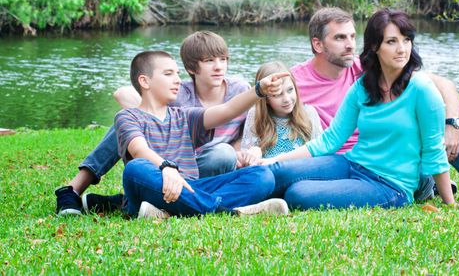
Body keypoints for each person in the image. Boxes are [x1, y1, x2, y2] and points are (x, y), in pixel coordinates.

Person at [281, 7, 459, 206]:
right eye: (340, 38)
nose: (350, 45)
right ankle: (432, 185)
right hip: (346, 164)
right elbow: (263, 120)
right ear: (318, 44)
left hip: (397, 165)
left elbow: (444, 86)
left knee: (435, 115)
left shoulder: (370, 67)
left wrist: (452, 125)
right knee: (296, 188)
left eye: (353, 37)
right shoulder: (294, 81)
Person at [259, 8, 454, 210]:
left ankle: (258, 199)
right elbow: (331, 139)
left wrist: (450, 204)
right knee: (278, 171)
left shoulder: (422, 89)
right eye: (391, 41)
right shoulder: (362, 87)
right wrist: (272, 160)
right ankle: (226, 200)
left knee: (298, 193)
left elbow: (434, 151)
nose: (402, 49)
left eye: (406, 40)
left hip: (390, 185)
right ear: (374, 46)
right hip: (352, 164)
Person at [55, 31, 251, 216]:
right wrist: (151, 115)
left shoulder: (240, 89)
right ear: (192, 69)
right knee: (128, 120)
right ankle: (73, 188)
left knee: (224, 154)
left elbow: (243, 126)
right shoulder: (179, 92)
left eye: (223, 59)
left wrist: (239, 149)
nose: (219, 67)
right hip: (170, 163)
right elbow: (122, 93)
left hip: (208, 168)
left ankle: (128, 201)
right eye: (209, 61)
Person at [117, 50, 289, 218]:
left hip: (192, 187)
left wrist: (259, 89)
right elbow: (139, 150)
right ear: (144, 81)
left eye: (177, 74)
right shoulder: (128, 117)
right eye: (169, 74)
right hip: (153, 186)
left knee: (262, 176)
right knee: (135, 168)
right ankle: (223, 211)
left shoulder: (185, 115)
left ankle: (170, 211)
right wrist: (166, 168)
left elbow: (228, 110)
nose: (177, 80)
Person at [241, 61, 322, 159]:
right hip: (268, 171)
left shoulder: (309, 113)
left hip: (302, 171)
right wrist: (253, 153)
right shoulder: (255, 115)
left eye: (290, 90)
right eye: (278, 94)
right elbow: (247, 156)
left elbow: (319, 152)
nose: (287, 99)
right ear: (265, 98)